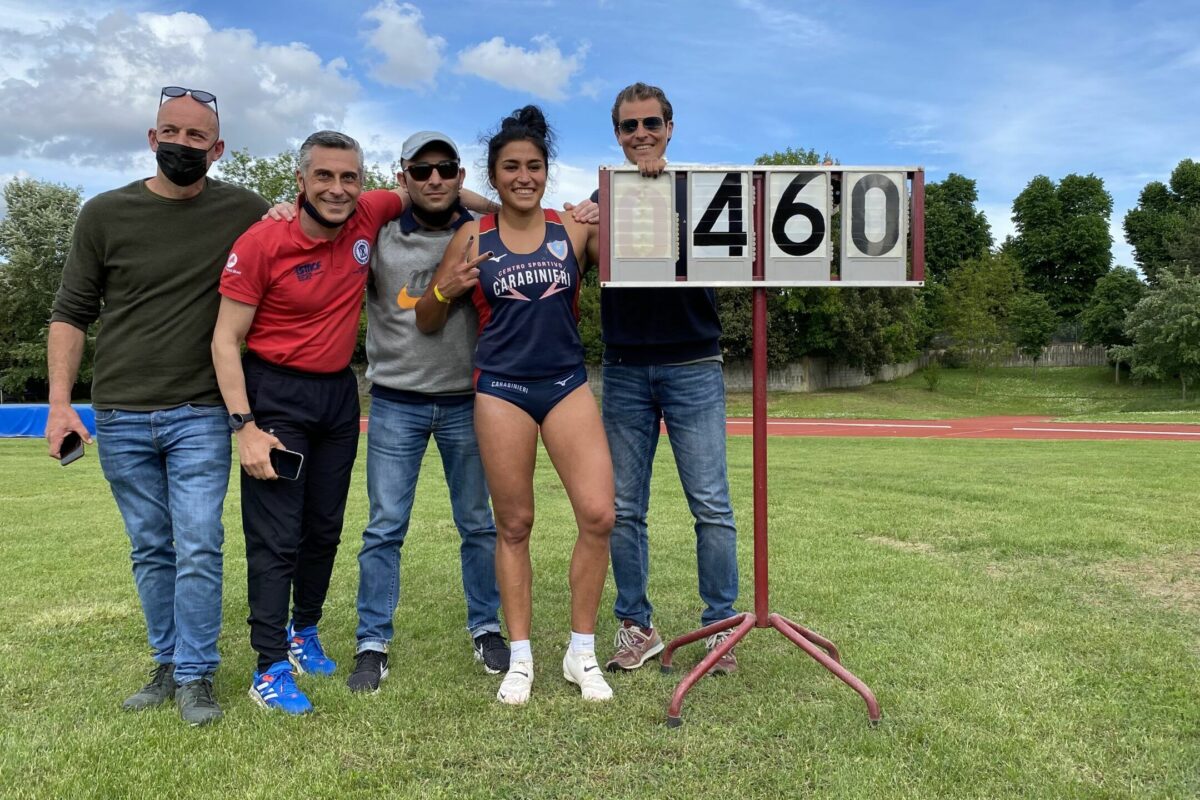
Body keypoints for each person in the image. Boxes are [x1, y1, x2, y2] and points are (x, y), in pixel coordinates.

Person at [45, 86, 268, 726]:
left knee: (198, 542)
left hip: (200, 410)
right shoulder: (103, 214)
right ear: (152, 138)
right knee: (150, 546)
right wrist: (62, 407)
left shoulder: (245, 209)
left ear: (217, 148)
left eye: (197, 137)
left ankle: (197, 675)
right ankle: (168, 661)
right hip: (117, 411)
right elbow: (70, 313)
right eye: (171, 132)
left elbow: (303, 228)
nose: (182, 144)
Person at [415, 106, 614, 705]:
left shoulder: (572, 229)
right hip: (501, 388)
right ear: (494, 176)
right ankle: (520, 659)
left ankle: (582, 652)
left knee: (600, 515)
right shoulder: (472, 236)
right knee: (515, 524)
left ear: (546, 172)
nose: (523, 176)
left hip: (565, 384)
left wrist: (607, 212)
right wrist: (444, 289)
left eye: (533, 166)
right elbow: (427, 318)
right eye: (510, 167)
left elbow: (646, 254)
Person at [211, 130, 406, 715]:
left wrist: (525, 209)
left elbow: (425, 189)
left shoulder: (368, 213)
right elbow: (225, 340)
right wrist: (243, 425)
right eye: (324, 176)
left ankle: (304, 632)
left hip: (339, 397)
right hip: (275, 395)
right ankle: (268, 666)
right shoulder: (263, 240)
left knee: (324, 527)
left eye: (349, 177)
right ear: (300, 182)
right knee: (275, 537)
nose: (338, 188)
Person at [347, 131, 508, 694]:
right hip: (395, 402)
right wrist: (280, 209)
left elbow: (528, 208)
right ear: (404, 177)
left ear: (461, 176)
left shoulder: (483, 233)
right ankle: (372, 641)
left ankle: (487, 628)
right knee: (383, 528)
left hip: (467, 402)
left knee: (478, 525)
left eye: (445, 169)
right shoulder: (378, 234)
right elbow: (323, 221)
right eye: (422, 170)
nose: (434, 179)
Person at [598, 83, 741, 674]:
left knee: (710, 504)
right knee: (623, 508)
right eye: (629, 127)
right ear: (617, 134)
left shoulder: (701, 192)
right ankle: (637, 626)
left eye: (650, 123)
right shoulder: (601, 195)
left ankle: (720, 628)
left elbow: (747, 245)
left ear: (670, 126)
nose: (641, 135)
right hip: (626, 368)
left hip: (694, 365)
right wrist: (587, 211)